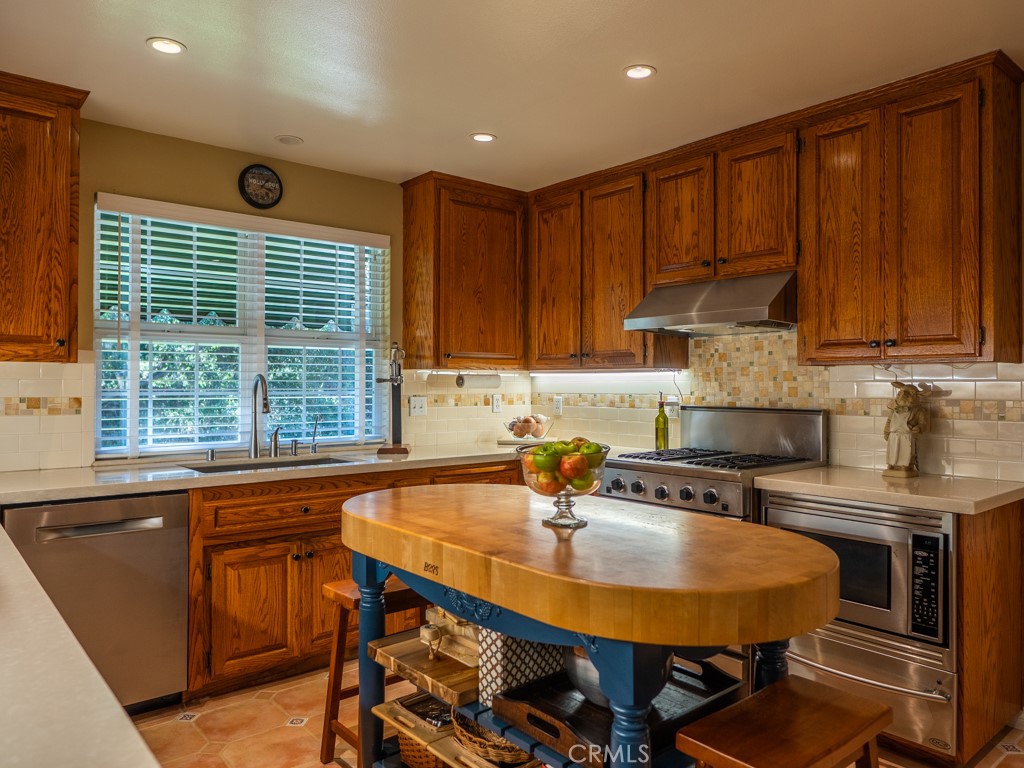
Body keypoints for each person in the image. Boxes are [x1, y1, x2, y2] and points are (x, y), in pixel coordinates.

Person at [882, 382, 929, 477]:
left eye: (909, 393)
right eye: (902, 392)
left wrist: (919, 428)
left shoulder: (919, 410)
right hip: (894, 435)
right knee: (892, 450)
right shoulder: (895, 409)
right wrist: (886, 432)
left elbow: (924, 423)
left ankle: (905, 466)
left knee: (906, 451)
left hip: (907, 436)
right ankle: (891, 464)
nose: (904, 395)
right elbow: (889, 421)